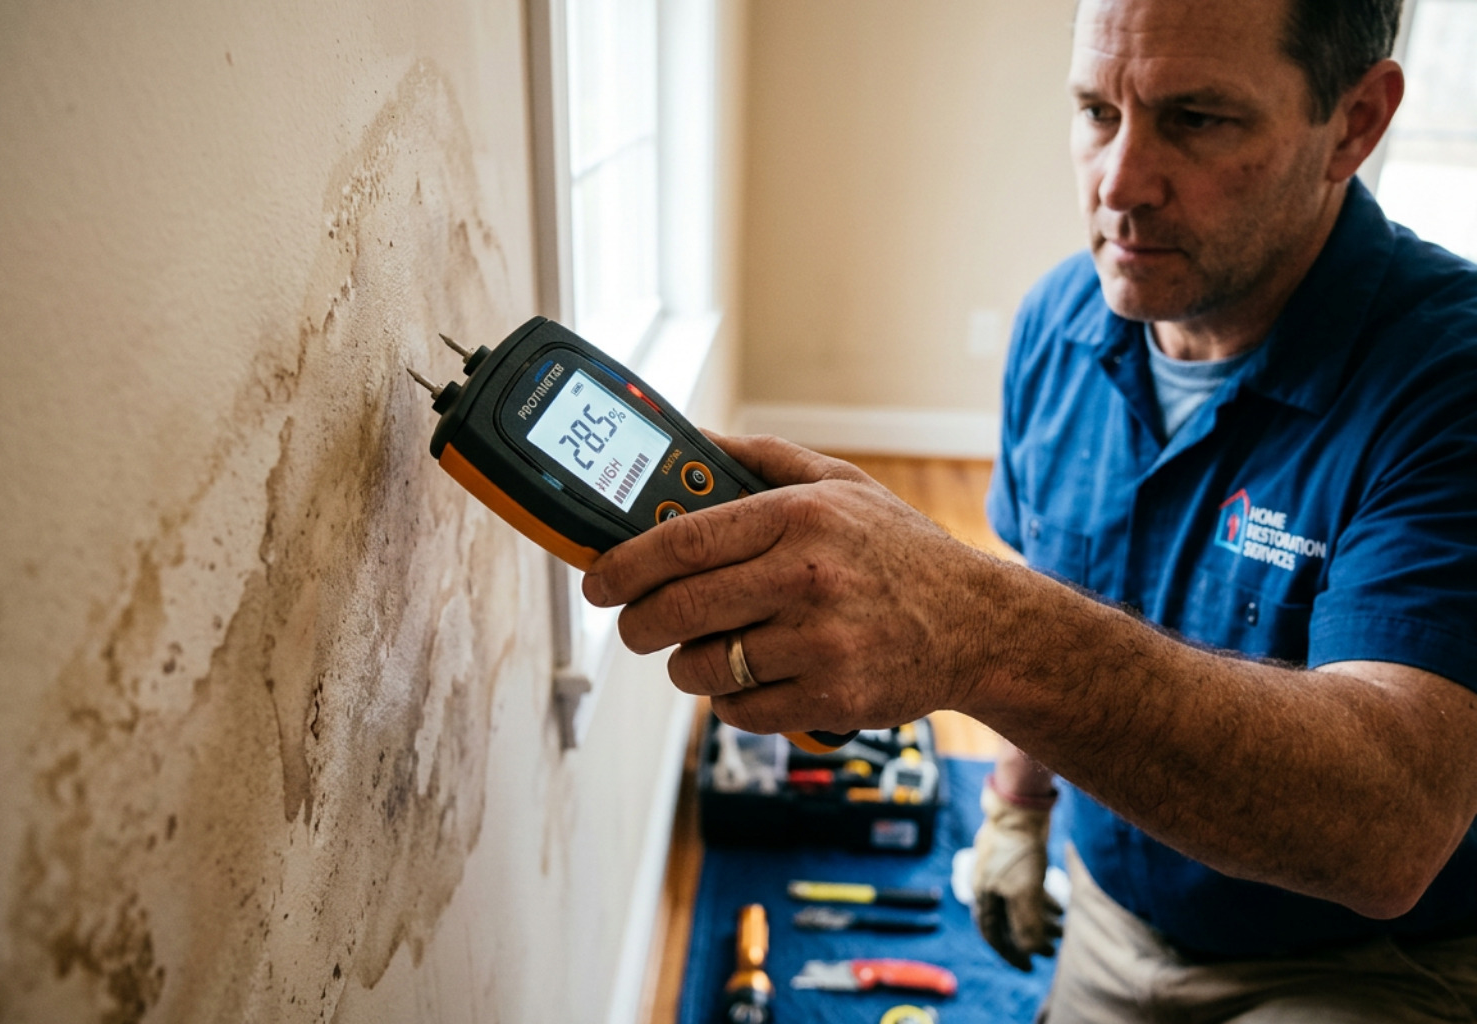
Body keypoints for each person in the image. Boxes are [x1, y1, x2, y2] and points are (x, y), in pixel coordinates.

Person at [583, 0, 1477, 1018]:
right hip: (1110, 908)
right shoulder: (1061, 322)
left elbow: (1388, 828)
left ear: (1356, 122)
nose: (1121, 183)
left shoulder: (1448, 380)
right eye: (1098, 110)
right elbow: (1064, 586)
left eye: (1198, 119)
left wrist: (974, 625)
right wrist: (1016, 803)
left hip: (1361, 960)